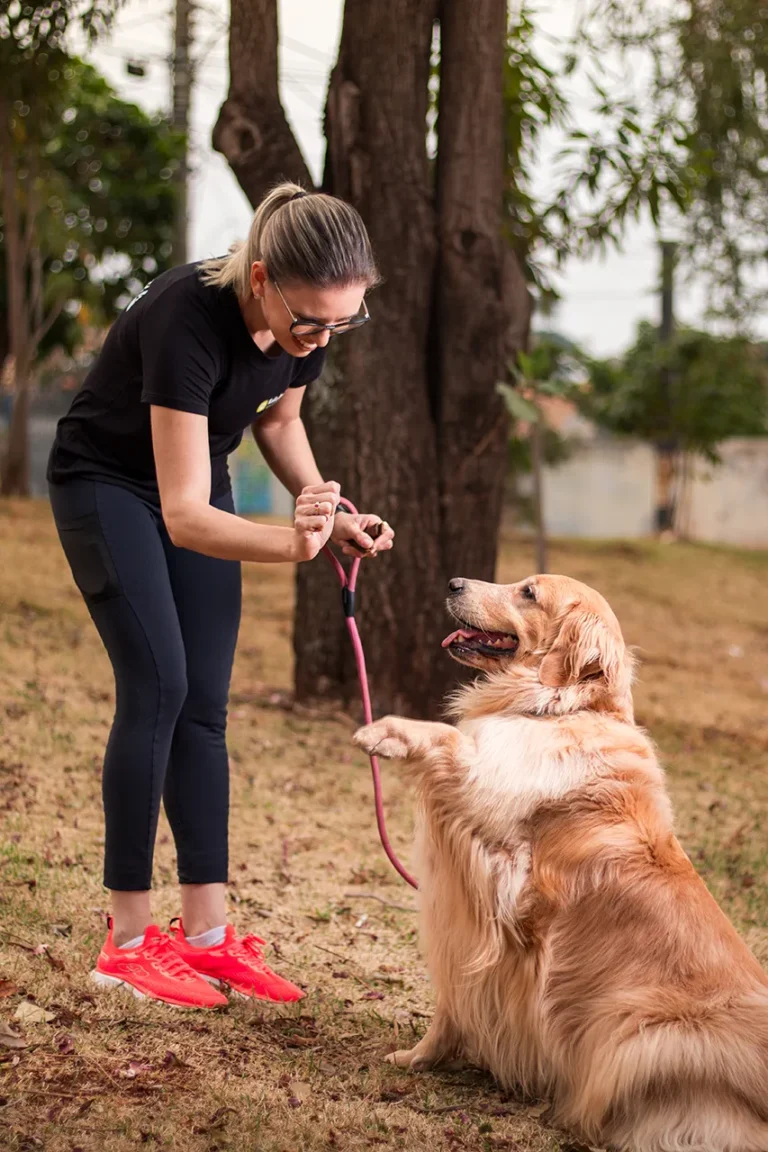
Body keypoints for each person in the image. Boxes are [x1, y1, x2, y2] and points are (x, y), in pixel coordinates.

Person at [46, 182, 394, 1009]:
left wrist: (330, 511)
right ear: (265, 277)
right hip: (109, 484)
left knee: (204, 701)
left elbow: (277, 422)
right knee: (159, 685)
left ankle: (205, 936)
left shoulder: (309, 320)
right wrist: (291, 545)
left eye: (341, 323)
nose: (320, 337)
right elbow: (183, 516)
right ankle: (127, 942)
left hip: (197, 479)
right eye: (310, 320)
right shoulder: (184, 321)